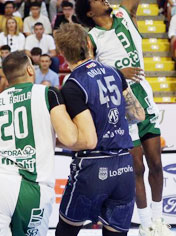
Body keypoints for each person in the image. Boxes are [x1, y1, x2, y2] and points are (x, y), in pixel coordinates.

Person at [74, 0, 172, 235]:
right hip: (119, 103)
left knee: (156, 163)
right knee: (136, 166)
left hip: (143, 95)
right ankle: (144, 225)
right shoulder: (91, 38)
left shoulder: (123, 13)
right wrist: (118, 72)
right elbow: (88, 72)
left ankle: (158, 220)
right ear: (90, 12)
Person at [0, 51, 81, 236]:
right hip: (32, 187)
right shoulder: (47, 92)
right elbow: (70, 138)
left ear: (6, 76)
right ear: (29, 69)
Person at [52, 23, 140, 236]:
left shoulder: (73, 84)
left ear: (62, 53)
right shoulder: (114, 72)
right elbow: (138, 115)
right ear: (89, 43)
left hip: (93, 166)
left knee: (66, 231)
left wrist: (56, 142)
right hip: (124, 167)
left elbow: (88, 140)